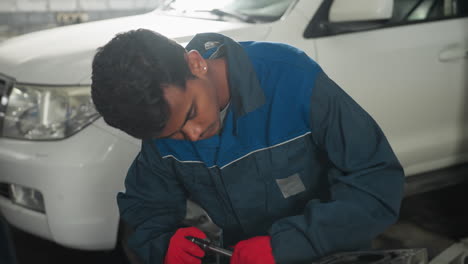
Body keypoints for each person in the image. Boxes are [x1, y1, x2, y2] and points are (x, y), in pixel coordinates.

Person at [91, 29, 405, 264]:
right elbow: (146, 208)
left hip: (336, 252)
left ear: (196, 64)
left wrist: (287, 245)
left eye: (191, 113)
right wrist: (164, 245)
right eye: (175, 134)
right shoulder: (159, 121)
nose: (195, 133)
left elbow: (376, 181)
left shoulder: (291, 78)